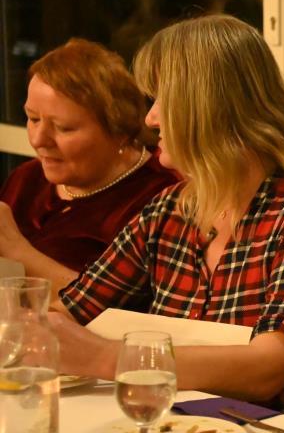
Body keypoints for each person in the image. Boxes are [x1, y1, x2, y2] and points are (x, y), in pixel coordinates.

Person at [49, 15, 284, 433]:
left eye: (162, 100)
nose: (151, 118)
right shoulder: (169, 212)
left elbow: (268, 367)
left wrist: (108, 358)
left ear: (208, 109)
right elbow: (69, 312)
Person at [0, 39, 179, 283]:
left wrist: (17, 251)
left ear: (119, 130)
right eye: (33, 119)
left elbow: (109, 301)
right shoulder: (27, 178)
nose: (38, 140)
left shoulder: (157, 197)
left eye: (63, 128)